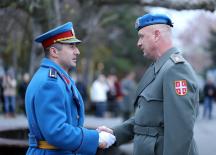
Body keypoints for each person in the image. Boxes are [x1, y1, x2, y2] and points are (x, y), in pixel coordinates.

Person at [98, 13, 199, 155]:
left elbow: (180, 131)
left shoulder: (176, 69)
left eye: (141, 36)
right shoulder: (158, 68)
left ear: (157, 35)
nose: (138, 43)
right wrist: (114, 134)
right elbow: (146, 119)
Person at [25, 22, 115, 155]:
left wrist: (93, 134)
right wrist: (96, 138)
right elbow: (56, 131)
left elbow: (68, 123)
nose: (77, 52)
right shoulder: (51, 83)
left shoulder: (57, 78)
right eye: (71, 47)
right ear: (54, 51)